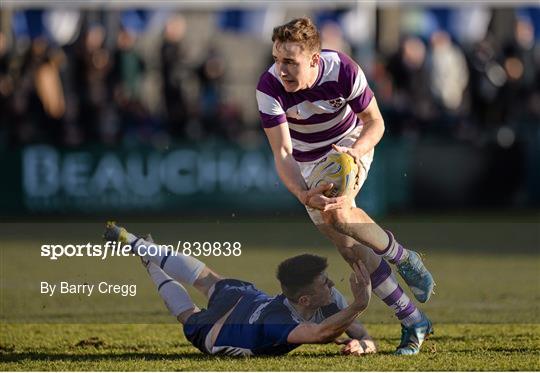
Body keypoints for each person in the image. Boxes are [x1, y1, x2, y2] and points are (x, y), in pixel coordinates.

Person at [255, 17, 434, 354]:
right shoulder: (268, 87)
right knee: (349, 248)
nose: (281, 69)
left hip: (349, 146)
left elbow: (375, 122)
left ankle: (405, 260)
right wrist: (304, 194)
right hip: (308, 165)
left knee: (341, 214)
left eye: (290, 62)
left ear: (314, 59)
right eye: (277, 59)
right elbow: (282, 152)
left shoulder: (343, 70)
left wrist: (355, 153)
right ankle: (413, 319)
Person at [104, 222, 375, 356]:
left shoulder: (327, 300)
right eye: (324, 282)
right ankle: (148, 262)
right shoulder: (279, 323)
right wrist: (359, 305)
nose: (331, 284)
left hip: (247, 299)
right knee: (188, 315)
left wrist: (362, 344)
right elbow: (318, 334)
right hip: (221, 330)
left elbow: (360, 334)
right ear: (305, 298)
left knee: (206, 278)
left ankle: (138, 244)